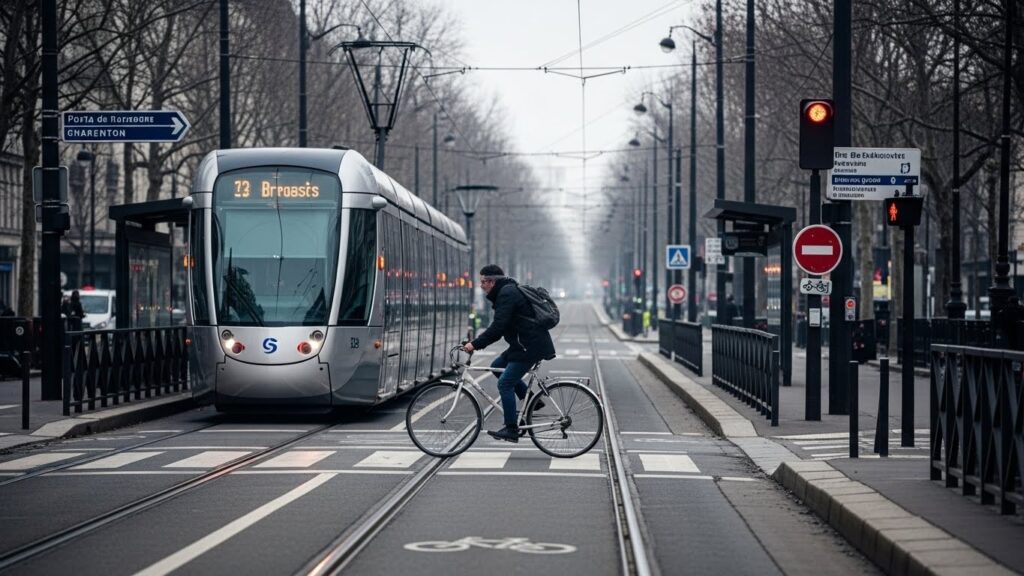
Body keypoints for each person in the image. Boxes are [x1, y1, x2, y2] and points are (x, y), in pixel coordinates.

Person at [462, 264, 556, 442]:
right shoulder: (506, 291)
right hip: (523, 344)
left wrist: (474, 344)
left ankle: (511, 428)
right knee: (497, 366)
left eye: (483, 282)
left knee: (505, 384)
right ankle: (532, 401)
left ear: (491, 281)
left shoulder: (507, 294)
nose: (481, 285)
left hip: (529, 346)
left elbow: (498, 328)